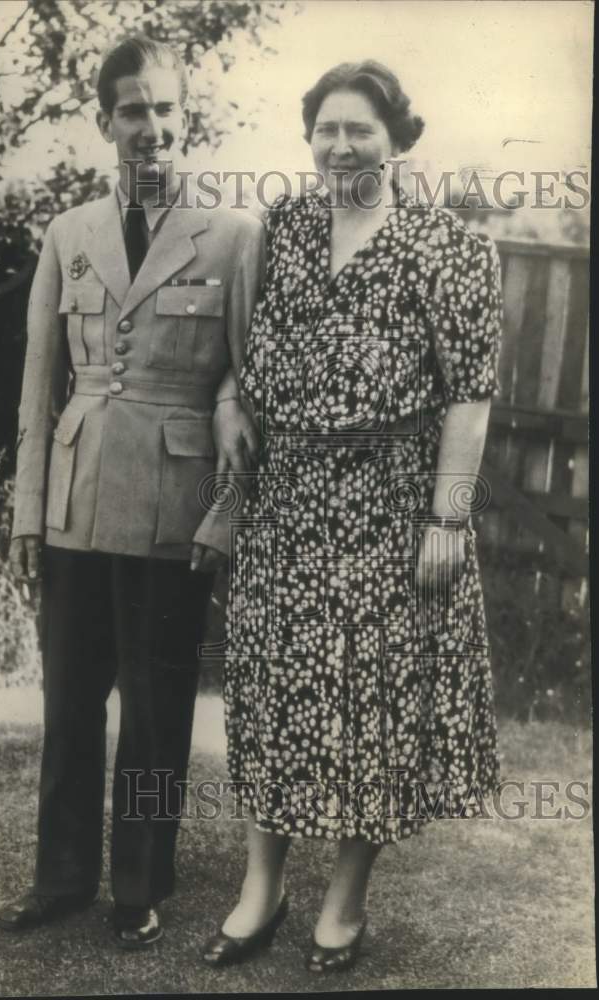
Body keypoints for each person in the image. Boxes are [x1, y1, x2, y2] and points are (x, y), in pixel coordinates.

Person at [202, 60, 503, 974]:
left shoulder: (448, 248)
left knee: (369, 700)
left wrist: (447, 519)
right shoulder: (285, 227)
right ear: (309, 139)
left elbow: (470, 397)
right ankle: (261, 888)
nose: (340, 147)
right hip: (285, 502)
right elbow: (241, 346)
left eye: (359, 130)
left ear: (397, 140)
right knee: (272, 688)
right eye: (325, 129)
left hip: (389, 504)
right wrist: (227, 402)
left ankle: (344, 898)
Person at [0, 35, 264, 948]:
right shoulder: (68, 233)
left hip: (171, 505)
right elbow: (38, 385)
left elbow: (248, 385)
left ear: (184, 116)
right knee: (69, 703)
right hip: (73, 499)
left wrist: (226, 514)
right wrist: (28, 510)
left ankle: (140, 885)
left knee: (155, 711)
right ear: (104, 121)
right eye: (132, 111)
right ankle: (61, 878)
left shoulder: (233, 235)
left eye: (164, 109)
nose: (150, 128)